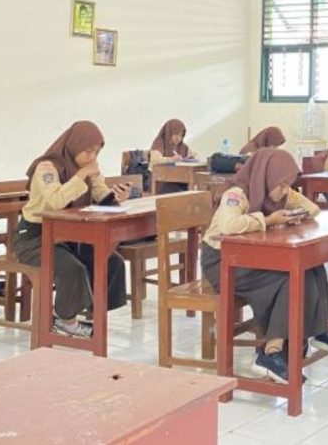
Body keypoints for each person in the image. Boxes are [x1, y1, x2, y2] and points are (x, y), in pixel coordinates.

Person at [200, 148, 328, 384]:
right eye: (281, 184)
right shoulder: (237, 193)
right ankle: (272, 351)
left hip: (253, 256)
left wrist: (295, 213)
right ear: (267, 176)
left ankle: (323, 329)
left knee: (311, 266)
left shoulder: (279, 192)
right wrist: (268, 220)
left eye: (288, 184)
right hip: (223, 261)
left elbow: (313, 209)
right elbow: (228, 225)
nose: (285, 190)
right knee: (289, 277)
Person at [13, 121, 130, 338]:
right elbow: (56, 201)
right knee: (73, 268)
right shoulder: (47, 167)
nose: (92, 157)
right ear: (75, 145)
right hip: (34, 238)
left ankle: (95, 313)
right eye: (88, 151)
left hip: (68, 235)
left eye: (96, 152)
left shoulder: (87, 168)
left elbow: (101, 194)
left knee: (111, 260)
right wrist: (82, 174)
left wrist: (116, 197)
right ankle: (65, 320)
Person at [148, 119, 199, 194]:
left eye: (181, 135)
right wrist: (172, 159)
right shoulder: (159, 143)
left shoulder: (182, 146)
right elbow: (155, 160)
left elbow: (193, 155)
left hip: (177, 180)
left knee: (191, 187)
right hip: (160, 182)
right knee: (179, 190)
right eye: (176, 134)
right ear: (169, 132)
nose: (179, 138)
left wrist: (191, 157)